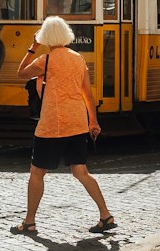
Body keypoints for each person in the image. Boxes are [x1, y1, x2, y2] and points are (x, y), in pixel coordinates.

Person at [12, 15, 114, 235]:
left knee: (37, 172)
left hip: (52, 124)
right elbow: (88, 93)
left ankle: (29, 222)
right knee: (81, 171)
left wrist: (32, 47)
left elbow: (20, 73)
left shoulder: (45, 61)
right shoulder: (78, 58)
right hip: (77, 123)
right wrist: (93, 121)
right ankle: (105, 215)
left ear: (45, 36)